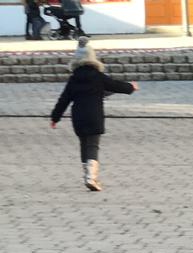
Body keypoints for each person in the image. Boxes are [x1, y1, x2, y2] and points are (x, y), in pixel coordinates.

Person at [49, 39, 136, 193]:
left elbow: (64, 99)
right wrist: (131, 87)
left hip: (78, 117)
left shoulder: (73, 79)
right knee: (93, 145)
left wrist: (55, 117)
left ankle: (87, 175)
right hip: (94, 115)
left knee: (84, 144)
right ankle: (91, 177)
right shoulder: (98, 76)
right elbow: (115, 85)